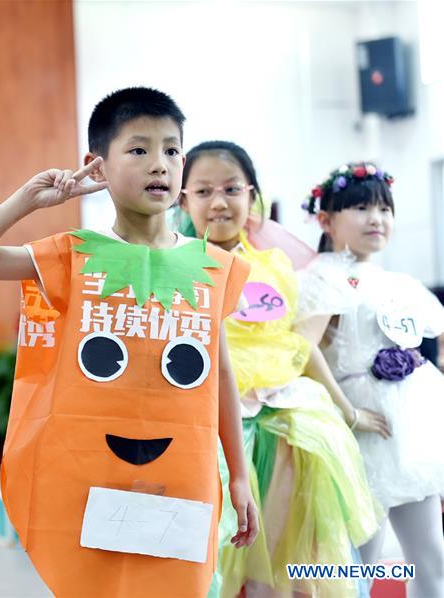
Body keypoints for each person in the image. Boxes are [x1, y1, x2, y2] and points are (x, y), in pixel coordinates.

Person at [0, 87, 257, 597]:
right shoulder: (73, 254)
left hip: (184, 472)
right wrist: (29, 200)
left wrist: (239, 476)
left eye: (172, 150)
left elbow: (218, 373)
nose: (159, 164)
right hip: (88, 475)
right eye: (138, 150)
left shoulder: (214, 267)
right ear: (98, 166)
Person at [179, 141, 382, 597]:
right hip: (211, 424)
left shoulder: (277, 267)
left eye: (231, 189)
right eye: (204, 190)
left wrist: (346, 409)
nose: (218, 202)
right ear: (183, 198)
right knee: (217, 559)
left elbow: (300, 345)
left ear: (252, 196)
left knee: (293, 558)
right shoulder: (178, 266)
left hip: (288, 414)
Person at [297, 161, 444, 597]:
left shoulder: (397, 280)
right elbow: (302, 347)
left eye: (385, 209)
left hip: (408, 432)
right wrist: (349, 413)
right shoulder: (320, 276)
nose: (376, 219)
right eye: (361, 207)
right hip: (355, 433)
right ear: (326, 219)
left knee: (430, 555)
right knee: (356, 562)